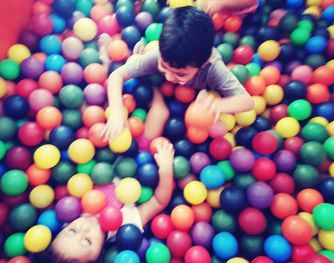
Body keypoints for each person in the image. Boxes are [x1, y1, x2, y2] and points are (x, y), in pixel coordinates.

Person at [100, 6, 254, 147]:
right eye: (165, 67)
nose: (170, 76)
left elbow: (247, 101)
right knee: (134, 76)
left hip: (189, 96)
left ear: (203, 64)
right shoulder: (158, 56)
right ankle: (108, 56)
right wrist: (116, 110)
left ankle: (142, 147)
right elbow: (117, 75)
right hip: (154, 79)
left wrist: (219, 106)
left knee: (161, 110)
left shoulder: (213, 67)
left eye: (180, 73)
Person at [36, 140, 175, 263]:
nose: (83, 229)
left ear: (63, 227)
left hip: (111, 146)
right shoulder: (125, 227)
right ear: (101, 253)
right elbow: (158, 202)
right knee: (159, 113)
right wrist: (166, 168)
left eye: (72, 231)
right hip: (143, 156)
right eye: (87, 241)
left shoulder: (71, 207)